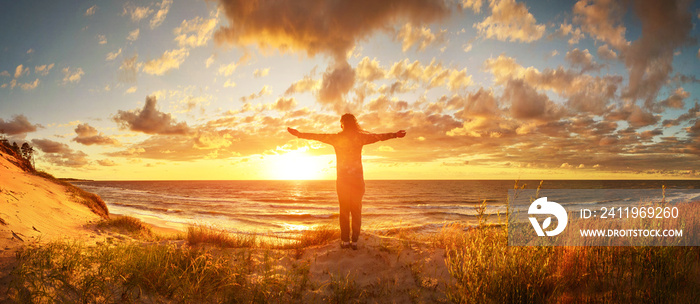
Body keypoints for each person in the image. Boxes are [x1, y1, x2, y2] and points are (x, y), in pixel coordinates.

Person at [288, 114, 406, 250]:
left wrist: (300, 134)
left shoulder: (337, 138)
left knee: (344, 210)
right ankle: (354, 241)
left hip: (343, 181)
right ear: (354, 123)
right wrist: (395, 135)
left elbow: (317, 136)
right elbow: (378, 137)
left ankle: (345, 241)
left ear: (342, 124)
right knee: (356, 210)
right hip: (357, 180)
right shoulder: (360, 137)